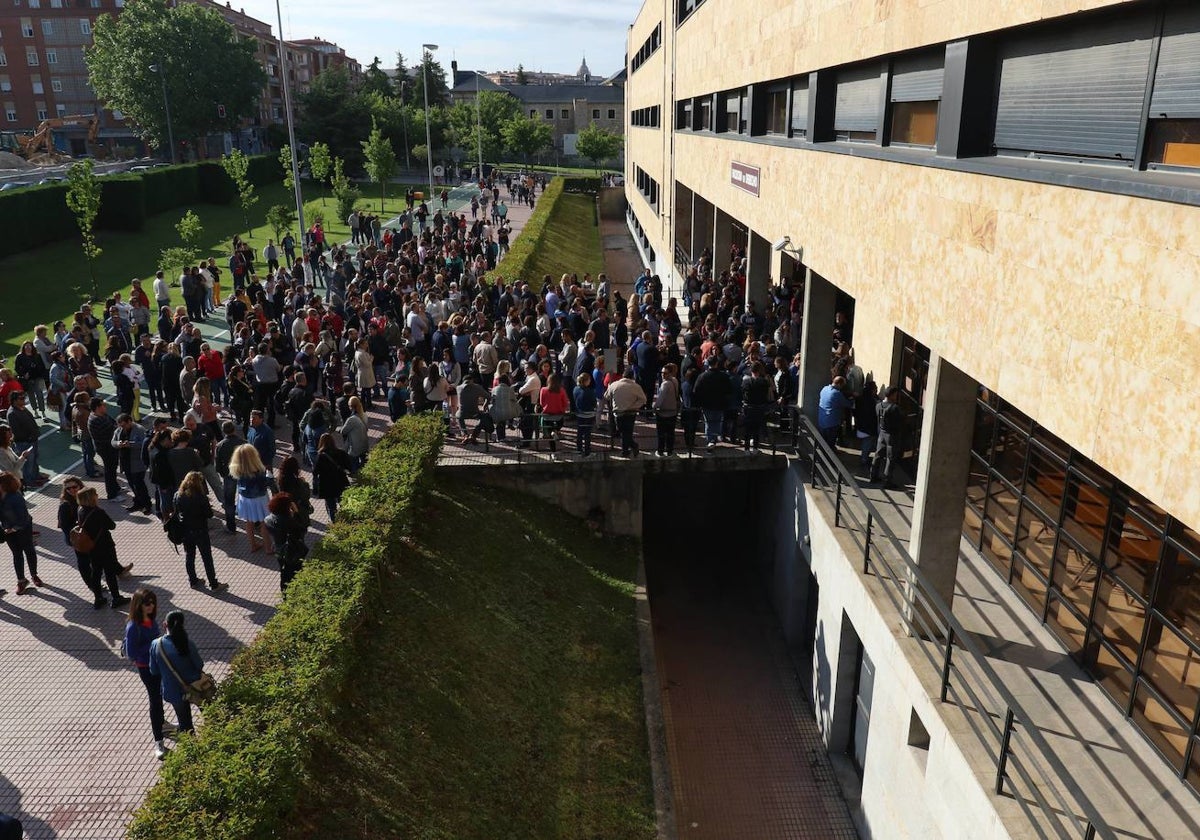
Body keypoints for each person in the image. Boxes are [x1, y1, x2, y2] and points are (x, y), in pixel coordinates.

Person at [124, 589, 177, 760]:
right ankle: (158, 741)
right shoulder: (133, 627)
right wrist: (153, 645)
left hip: (157, 663)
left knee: (161, 695)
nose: (151, 606)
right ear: (138, 605)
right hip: (146, 668)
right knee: (154, 699)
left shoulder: (151, 620)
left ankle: (162, 724)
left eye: (153, 603)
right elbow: (132, 653)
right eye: (147, 603)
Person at [148, 610, 204, 736]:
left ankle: (193, 749)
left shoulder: (156, 645)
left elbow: (154, 670)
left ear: (164, 625)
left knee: (185, 723)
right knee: (209, 714)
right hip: (196, 686)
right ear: (183, 625)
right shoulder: (188, 643)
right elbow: (199, 664)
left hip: (173, 690)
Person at [74, 487, 130, 609]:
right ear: (91, 498)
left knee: (96, 572)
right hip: (105, 546)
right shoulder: (98, 512)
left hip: (91, 548)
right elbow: (112, 525)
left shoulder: (80, 510)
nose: (97, 496)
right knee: (109, 573)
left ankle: (98, 598)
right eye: (95, 494)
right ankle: (116, 598)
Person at [173, 471, 227, 591]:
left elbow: (176, 512)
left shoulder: (178, 495)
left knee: (189, 556)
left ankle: (193, 581)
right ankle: (213, 584)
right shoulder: (200, 497)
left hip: (186, 532)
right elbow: (209, 514)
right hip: (200, 531)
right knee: (206, 558)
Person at [229, 443, 275, 554]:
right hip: (259, 498)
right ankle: (268, 548)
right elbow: (267, 483)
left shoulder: (237, 468)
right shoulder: (259, 470)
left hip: (244, 498)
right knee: (264, 522)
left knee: (249, 522)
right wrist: (270, 477)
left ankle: (253, 545)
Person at [0, 471, 38, 595]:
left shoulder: (16, 497)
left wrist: (14, 528)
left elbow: (23, 517)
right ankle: (21, 580)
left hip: (22, 528)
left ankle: (34, 575)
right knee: (17, 554)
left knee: (29, 550)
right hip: (8, 530)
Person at [264, 492, 307, 594]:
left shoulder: (268, 520)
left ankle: (286, 594)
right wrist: (296, 512)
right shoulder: (289, 521)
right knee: (295, 571)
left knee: (284, 572)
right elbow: (302, 530)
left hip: (279, 549)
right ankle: (296, 593)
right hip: (292, 550)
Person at [113, 413, 152, 514]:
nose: (122, 427)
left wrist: (130, 444)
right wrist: (118, 444)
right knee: (132, 484)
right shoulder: (119, 430)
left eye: (124, 425)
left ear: (129, 421)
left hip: (137, 463)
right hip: (126, 462)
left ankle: (147, 504)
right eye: (120, 426)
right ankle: (138, 503)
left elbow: (144, 443)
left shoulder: (139, 430)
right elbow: (113, 441)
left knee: (139, 484)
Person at [604, 368, 648, 457]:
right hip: (631, 413)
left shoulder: (614, 385)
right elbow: (644, 399)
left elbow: (606, 396)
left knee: (622, 432)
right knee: (628, 432)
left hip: (618, 412)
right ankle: (632, 447)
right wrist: (635, 406)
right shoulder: (636, 386)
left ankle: (625, 451)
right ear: (632, 376)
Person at [312, 433, 351, 521]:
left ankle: (335, 523)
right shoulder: (341, 452)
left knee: (331, 507)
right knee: (344, 503)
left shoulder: (320, 457)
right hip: (340, 482)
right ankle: (347, 520)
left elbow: (315, 472)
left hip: (327, 485)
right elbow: (349, 466)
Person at [871, 386, 904, 489]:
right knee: (890, 458)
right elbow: (901, 422)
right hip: (892, 435)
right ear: (892, 395)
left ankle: (873, 476)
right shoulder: (895, 408)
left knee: (878, 455)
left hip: (881, 433)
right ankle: (887, 481)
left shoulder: (878, 405)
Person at [817, 376, 853, 449]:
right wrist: (852, 398)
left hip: (822, 420)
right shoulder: (837, 393)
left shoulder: (824, 389)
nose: (842, 388)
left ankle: (821, 456)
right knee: (830, 443)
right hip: (832, 422)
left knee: (823, 442)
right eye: (842, 385)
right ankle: (828, 458)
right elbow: (848, 404)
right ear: (839, 384)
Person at [653, 363, 680, 457]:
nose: (663, 375)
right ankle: (670, 451)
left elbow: (660, 399)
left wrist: (654, 407)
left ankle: (660, 451)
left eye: (665, 373)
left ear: (670, 373)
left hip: (663, 412)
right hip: (673, 411)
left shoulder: (665, 384)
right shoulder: (675, 380)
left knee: (661, 433)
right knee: (670, 433)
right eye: (662, 373)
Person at [574, 372, 597, 457]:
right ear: (586, 381)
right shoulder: (590, 391)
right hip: (589, 414)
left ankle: (579, 449)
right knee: (587, 433)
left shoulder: (575, 389)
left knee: (579, 432)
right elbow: (594, 403)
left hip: (579, 414)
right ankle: (587, 451)